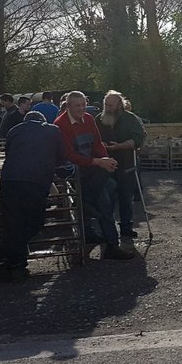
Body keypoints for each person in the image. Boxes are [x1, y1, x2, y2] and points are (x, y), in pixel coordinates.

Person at [55, 90, 135, 260]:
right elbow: (69, 155)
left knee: (112, 189)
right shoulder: (60, 124)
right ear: (68, 106)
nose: (82, 109)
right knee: (104, 201)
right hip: (77, 172)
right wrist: (99, 162)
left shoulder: (89, 119)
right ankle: (111, 244)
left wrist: (105, 158)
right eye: (77, 106)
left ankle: (88, 218)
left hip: (94, 169)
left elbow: (97, 143)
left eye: (83, 105)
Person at [0, 111, 66, 281]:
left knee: (13, 223)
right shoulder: (53, 130)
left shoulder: (14, 130)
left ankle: (12, 261)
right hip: (35, 181)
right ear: (43, 120)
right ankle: (12, 260)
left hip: (9, 181)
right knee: (35, 221)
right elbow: (61, 156)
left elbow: (9, 153)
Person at [96, 90, 147, 239]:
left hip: (126, 163)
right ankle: (108, 229)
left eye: (111, 104)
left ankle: (126, 226)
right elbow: (93, 137)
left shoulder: (130, 119)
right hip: (105, 165)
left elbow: (138, 139)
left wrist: (119, 146)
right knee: (107, 198)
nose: (108, 107)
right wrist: (101, 145)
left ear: (119, 104)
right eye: (106, 104)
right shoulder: (99, 119)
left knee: (125, 197)